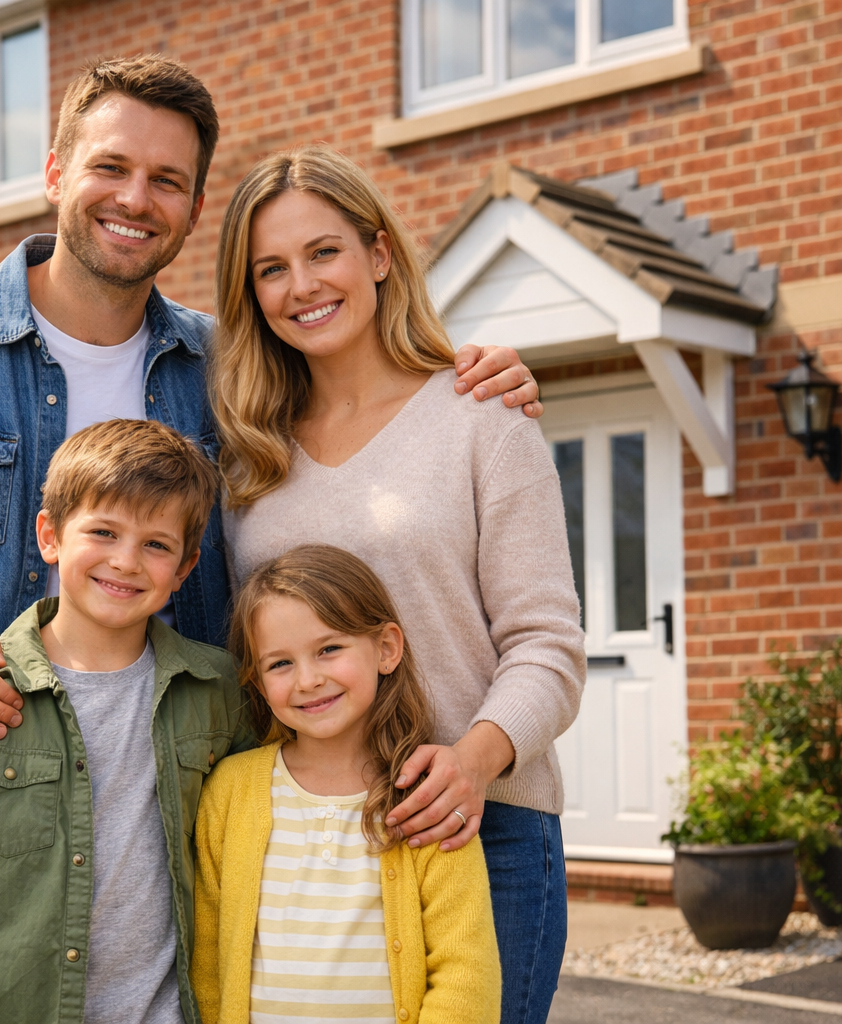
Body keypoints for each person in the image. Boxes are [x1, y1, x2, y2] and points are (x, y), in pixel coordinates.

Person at [0, 55, 540, 1023]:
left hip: (169, 845)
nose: (136, 199)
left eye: (167, 181)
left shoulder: (234, 370)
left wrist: (474, 367)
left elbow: (369, 393)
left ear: (193, 204)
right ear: (56, 173)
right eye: (110, 167)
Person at [210, 145, 586, 1024]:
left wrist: (472, 762)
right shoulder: (247, 458)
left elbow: (548, 647)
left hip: (477, 822)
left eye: (324, 252)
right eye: (270, 268)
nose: (301, 284)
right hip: (309, 839)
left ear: (378, 255)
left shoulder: (481, 419)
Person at [0, 418, 255, 1024]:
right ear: (50, 536)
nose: (126, 562)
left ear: (184, 569)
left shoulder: (218, 692)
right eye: (103, 532)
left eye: (156, 544)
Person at [192, 544, 500, 1024]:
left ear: (385, 648)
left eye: (328, 649)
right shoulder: (229, 791)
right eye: (280, 663)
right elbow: (208, 960)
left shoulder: (426, 795)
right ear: (255, 679)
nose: (309, 679)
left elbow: (466, 973)